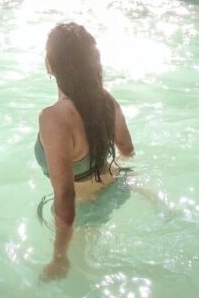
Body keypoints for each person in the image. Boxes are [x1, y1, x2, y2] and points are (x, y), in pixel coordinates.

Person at [35, 22, 134, 281]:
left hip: (85, 208)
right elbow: (127, 149)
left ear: (49, 64)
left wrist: (59, 256)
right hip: (118, 187)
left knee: (81, 280)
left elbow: (66, 195)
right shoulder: (105, 100)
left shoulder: (53, 119)